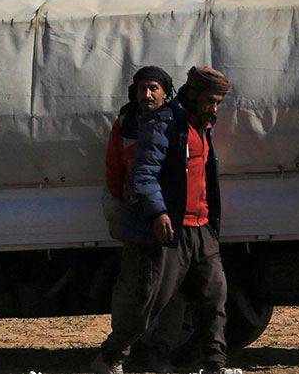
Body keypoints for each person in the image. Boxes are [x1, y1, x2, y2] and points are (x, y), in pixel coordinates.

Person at [95, 66, 233, 374]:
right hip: (172, 230)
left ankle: (216, 364)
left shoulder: (202, 124)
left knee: (214, 298)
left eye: (218, 103)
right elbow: (143, 173)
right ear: (194, 94)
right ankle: (111, 356)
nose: (215, 108)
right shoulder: (165, 122)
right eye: (211, 101)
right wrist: (159, 212)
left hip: (201, 228)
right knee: (150, 302)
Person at [101, 66, 186, 370]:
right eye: (141, 89)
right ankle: (122, 352)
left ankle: (159, 352)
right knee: (135, 290)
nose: (147, 95)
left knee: (170, 291)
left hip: (170, 218)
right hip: (137, 218)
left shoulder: (177, 121)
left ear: (166, 92)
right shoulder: (126, 124)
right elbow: (114, 170)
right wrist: (114, 213)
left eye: (153, 88)